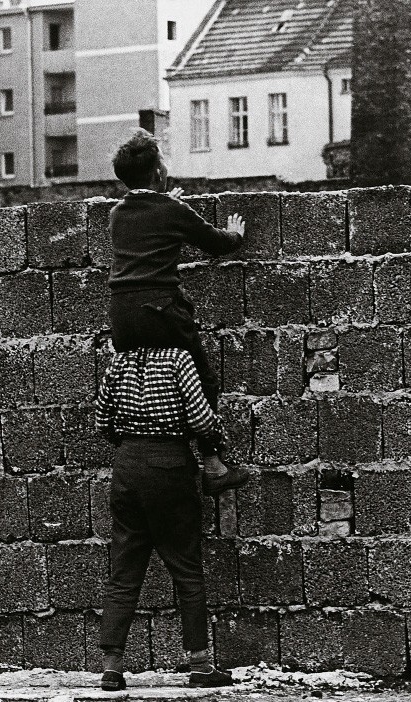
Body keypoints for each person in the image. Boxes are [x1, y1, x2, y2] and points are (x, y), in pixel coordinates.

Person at [108, 128, 249, 496]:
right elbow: (216, 244)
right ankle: (213, 465)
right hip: (161, 311)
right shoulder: (172, 210)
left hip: (122, 316)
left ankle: (143, 456)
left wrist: (164, 202)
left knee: (140, 380)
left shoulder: (117, 213)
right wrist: (235, 235)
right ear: (158, 173)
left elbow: (146, 222)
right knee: (203, 381)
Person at [95, 346, 236, 691]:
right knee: (186, 569)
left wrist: (131, 443)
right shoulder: (178, 359)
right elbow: (201, 420)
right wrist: (215, 438)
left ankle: (112, 669)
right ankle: (200, 665)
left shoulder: (120, 360)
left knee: (124, 571)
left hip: (127, 465)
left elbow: (102, 421)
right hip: (170, 464)